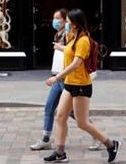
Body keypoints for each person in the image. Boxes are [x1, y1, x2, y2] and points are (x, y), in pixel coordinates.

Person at [44, 8, 121, 163]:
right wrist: (62, 47)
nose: (65, 24)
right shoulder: (73, 37)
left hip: (81, 86)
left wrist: (56, 78)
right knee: (60, 116)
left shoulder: (84, 40)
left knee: (82, 123)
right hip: (69, 84)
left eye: (67, 22)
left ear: (75, 24)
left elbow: (76, 63)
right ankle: (60, 153)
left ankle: (111, 144)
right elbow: (71, 51)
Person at [30, 9, 101, 151]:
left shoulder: (72, 35)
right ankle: (46, 139)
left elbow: (75, 57)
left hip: (67, 78)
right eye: (54, 18)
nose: (55, 22)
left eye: (60, 19)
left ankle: (98, 136)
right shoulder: (59, 34)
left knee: (74, 114)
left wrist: (60, 48)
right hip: (58, 76)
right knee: (50, 108)